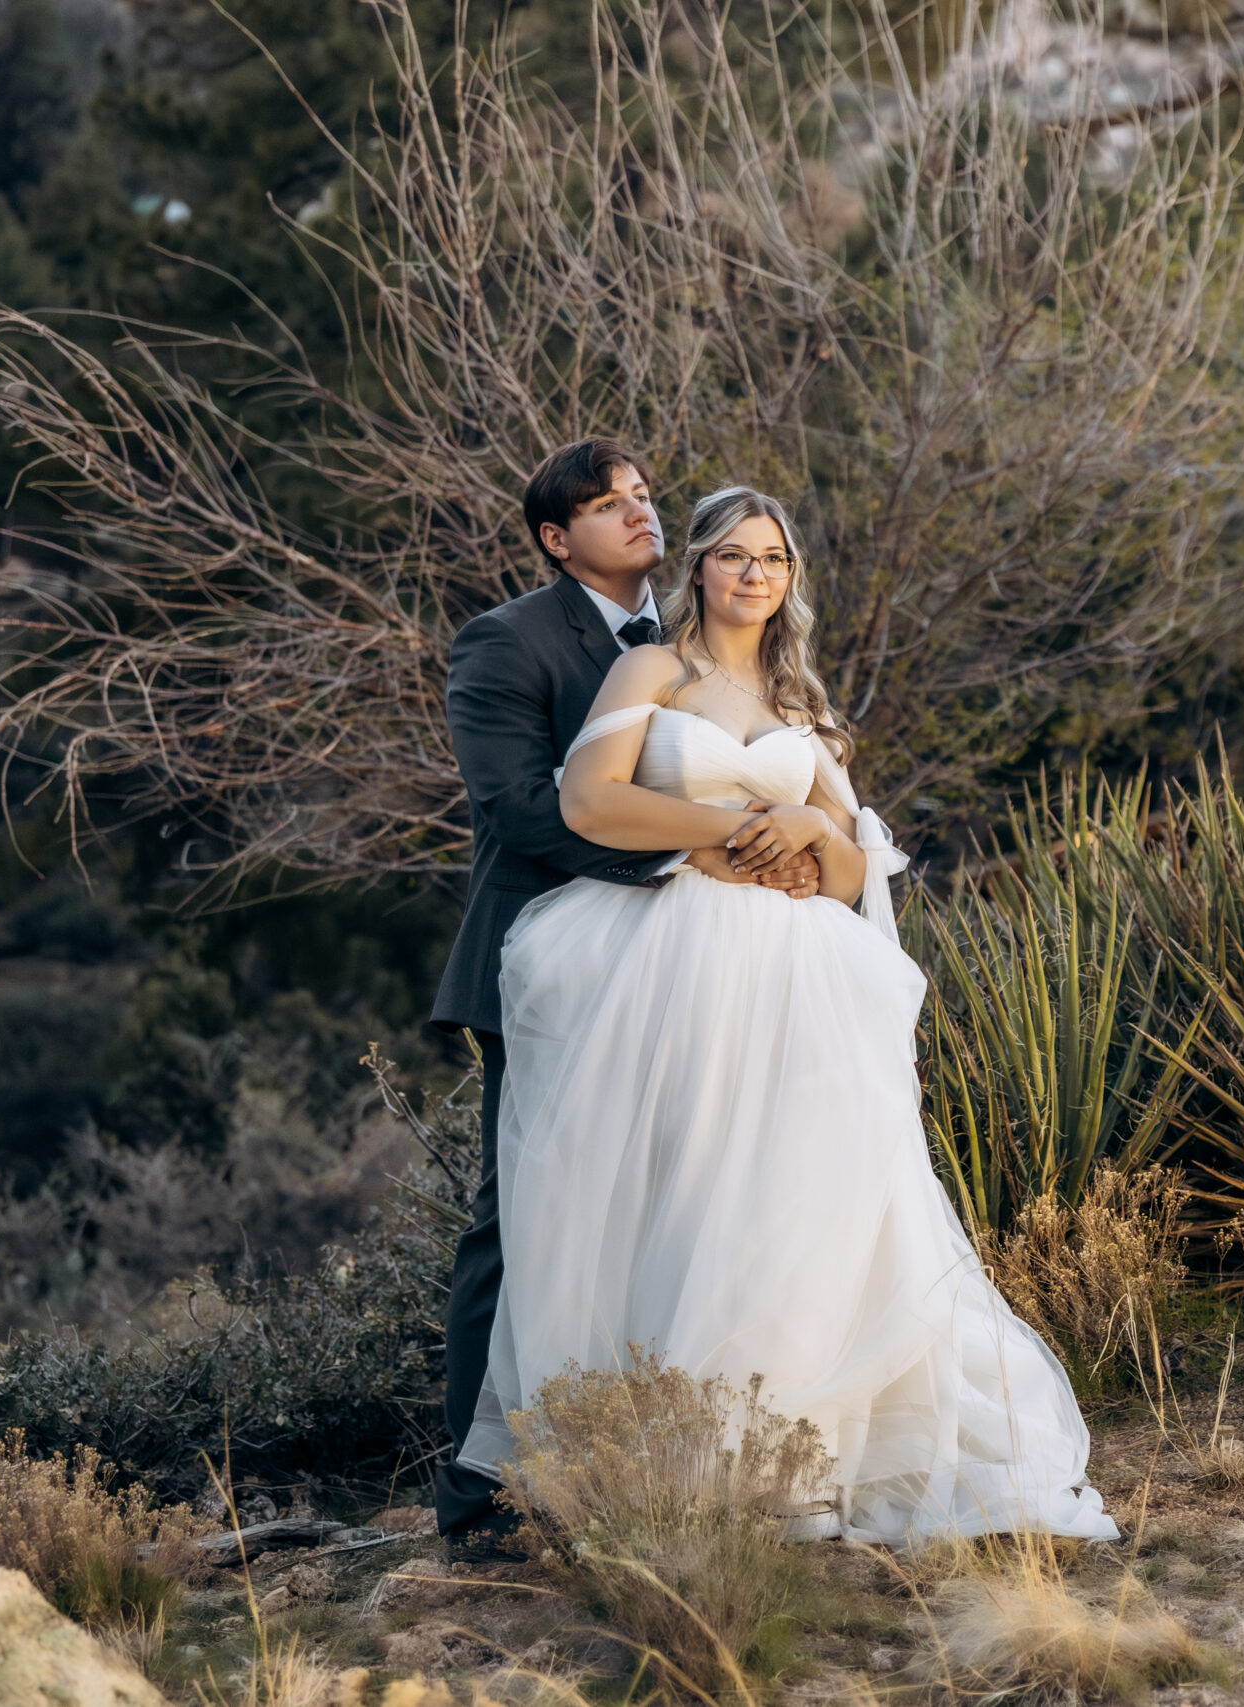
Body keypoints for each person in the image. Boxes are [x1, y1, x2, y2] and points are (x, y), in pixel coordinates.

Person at [455, 485, 1120, 1548]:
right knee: (683, 1191)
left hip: (796, 977)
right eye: (733, 554)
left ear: (790, 578)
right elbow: (588, 801)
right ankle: (664, 1457)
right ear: (700, 567)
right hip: (675, 957)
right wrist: (723, 831)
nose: (754, 573)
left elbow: (857, 871)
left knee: (792, 1202)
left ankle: (789, 1459)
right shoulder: (653, 670)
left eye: (773, 558)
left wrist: (812, 826)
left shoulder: (803, 704)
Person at [429, 441, 820, 1552]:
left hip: (700, 972)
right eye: (607, 505)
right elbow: (519, 807)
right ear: (558, 540)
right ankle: (483, 1498)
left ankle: (640, 1462)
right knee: (524, 1218)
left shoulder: (703, 638)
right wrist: (702, 848)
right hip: (553, 965)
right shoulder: (508, 641)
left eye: (644, 496)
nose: (638, 513)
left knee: (677, 1206)